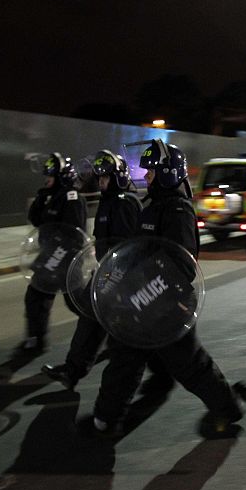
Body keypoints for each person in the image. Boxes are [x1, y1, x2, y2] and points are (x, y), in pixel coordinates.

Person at [91, 139, 242, 436]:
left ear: (168, 173)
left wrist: (147, 279)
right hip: (142, 301)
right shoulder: (152, 207)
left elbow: (183, 264)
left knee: (191, 366)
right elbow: (138, 249)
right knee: (125, 359)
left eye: (151, 172)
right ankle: (106, 417)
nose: (146, 177)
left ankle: (227, 408)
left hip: (167, 305)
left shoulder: (178, 210)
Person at [41, 149, 169, 391]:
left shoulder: (126, 203)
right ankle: (72, 371)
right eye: (99, 178)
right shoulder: (109, 201)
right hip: (108, 271)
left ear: (118, 177)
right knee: (93, 319)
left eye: (105, 178)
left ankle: (163, 371)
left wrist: (118, 277)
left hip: (123, 275)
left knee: (125, 331)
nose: (101, 183)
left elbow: (131, 246)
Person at [15, 152, 87, 356]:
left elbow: (74, 235)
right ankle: (37, 340)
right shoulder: (50, 197)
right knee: (35, 298)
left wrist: (55, 259)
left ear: (62, 176)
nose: (46, 179)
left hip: (66, 261)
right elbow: (35, 220)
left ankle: (103, 329)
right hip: (49, 257)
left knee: (77, 303)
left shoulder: (72, 198)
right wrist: (41, 197)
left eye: (51, 175)